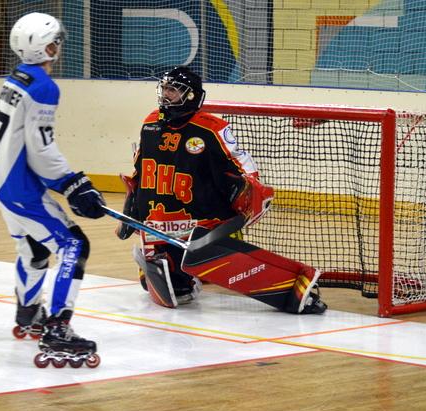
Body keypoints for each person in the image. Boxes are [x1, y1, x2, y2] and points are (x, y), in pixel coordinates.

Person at [117, 66, 326, 314]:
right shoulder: (151, 122)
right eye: (164, 88)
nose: (165, 94)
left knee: (198, 261)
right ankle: (179, 271)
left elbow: (243, 166)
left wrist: (247, 190)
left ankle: (293, 289)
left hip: (203, 221)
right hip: (162, 222)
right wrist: (132, 204)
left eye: (172, 90)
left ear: (191, 95)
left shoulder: (212, 128)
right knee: (170, 286)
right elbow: (141, 170)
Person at [0, 12, 106, 368]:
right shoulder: (44, 86)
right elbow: (41, 148)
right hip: (19, 188)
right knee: (74, 244)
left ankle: (28, 313)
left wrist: (12, 167)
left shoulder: (15, 79)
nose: (59, 47)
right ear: (44, 46)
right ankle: (57, 327)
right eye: (56, 41)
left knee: (35, 250)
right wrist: (72, 183)